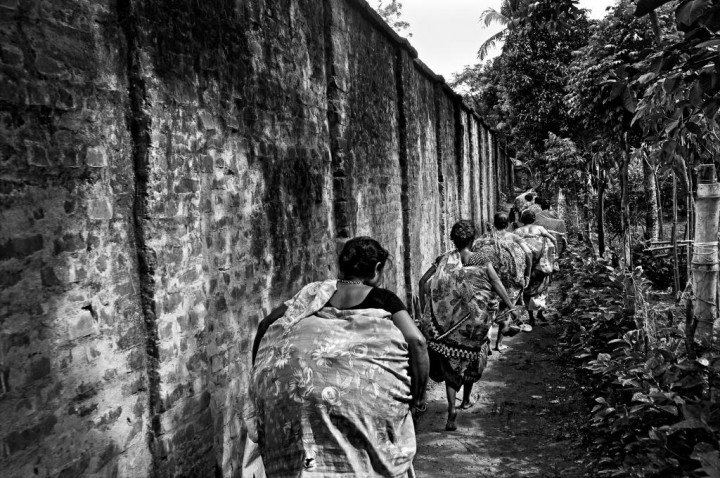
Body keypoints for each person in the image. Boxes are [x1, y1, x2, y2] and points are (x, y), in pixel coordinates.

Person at [248, 237, 429, 477]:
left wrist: (259, 374)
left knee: (309, 458)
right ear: (376, 269)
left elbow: (265, 326)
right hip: (358, 397)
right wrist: (417, 398)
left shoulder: (313, 294)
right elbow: (417, 342)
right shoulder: (384, 299)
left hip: (299, 392)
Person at [418, 220, 519, 432]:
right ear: (473, 240)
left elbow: (422, 283)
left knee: (451, 363)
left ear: (453, 240)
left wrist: (429, 309)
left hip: (449, 323)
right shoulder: (480, 259)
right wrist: (511, 306)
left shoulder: (444, 259)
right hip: (475, 321)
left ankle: (451, 410)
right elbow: (496, 283)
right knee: (472, 357)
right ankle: (466, 399)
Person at [473, 212, 533, 351]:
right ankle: (498, 344)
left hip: (487, 280)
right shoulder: (514, 238)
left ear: (494, 223)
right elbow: (528, 253)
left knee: (487, 310)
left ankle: (486, 345)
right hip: (509, 281)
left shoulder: (483, 239)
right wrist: (527, 274)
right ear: (507, 224)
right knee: (506, 308)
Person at [514, 210, 558, 326]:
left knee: (527, 290)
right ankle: (540, 314)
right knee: (542, 289)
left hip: (526, 266)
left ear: (522, 219)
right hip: (540, 266)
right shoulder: (540, 229)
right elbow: (553, 240)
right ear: (534, 219)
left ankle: (531, 318)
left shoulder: (517, 231)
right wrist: (555, 255)